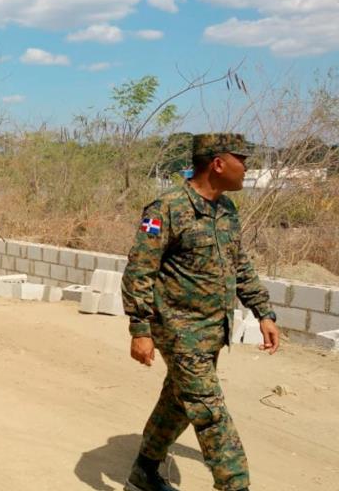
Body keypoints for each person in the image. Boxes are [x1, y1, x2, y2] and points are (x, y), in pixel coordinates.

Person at [121, 133, 280, 491]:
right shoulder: (167, 208)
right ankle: (235, 485)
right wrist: (140, 328)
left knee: (178, 401)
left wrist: (264, 312)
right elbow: (139, 270)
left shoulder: (226, 209)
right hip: (177, 329)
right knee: (210, 411)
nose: (248, 166)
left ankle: (144, 470)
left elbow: (239, 265)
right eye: (243, 158)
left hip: (212, 330)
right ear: (219, 163)